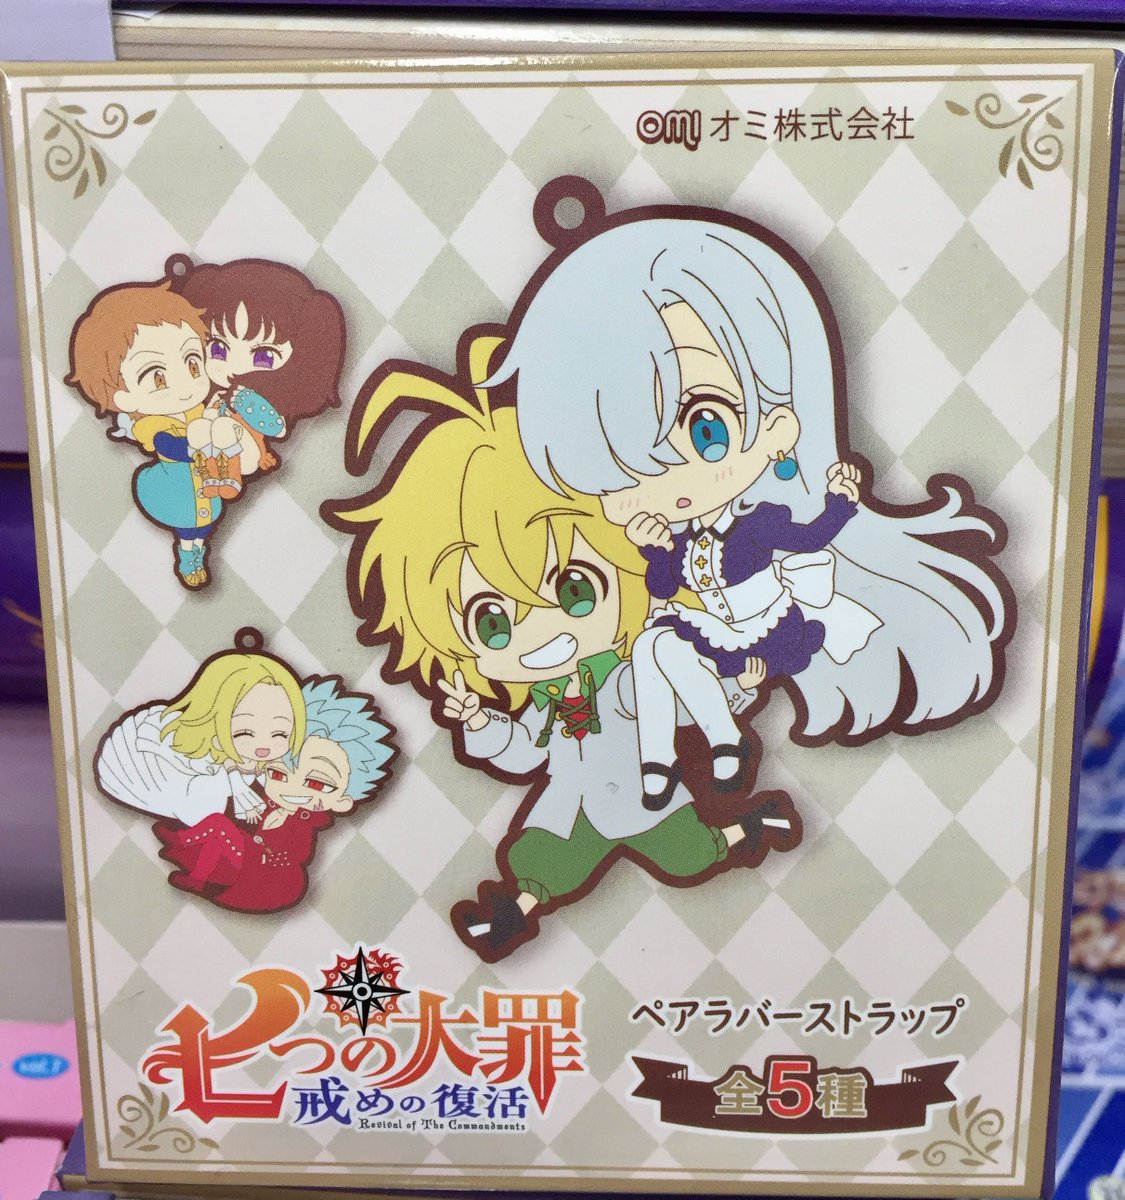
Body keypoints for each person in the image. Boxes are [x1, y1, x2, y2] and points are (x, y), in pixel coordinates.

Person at [490, 179, 1014, 807]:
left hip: (765, 632)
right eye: (613, 472)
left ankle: (711, 741)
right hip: (709, 630)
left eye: (705, 429)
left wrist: (842, 500)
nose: (663, 483)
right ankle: (666, 758)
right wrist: (654, 547)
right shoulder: (687, 538)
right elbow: (664, 586)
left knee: (660, 648)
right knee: (653, 644)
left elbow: (810, 537)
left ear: (779, 427)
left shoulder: (759, 523)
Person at [325, 337, 799, 961]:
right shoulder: (546, 700)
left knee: (688, 851)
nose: (540, 631)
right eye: (492, 625)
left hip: (648, 801)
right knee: (544, 861)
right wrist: (481, 721)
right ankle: (509, 914)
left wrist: (736, 688)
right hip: (572, 810)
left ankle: (748, 827)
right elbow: (526, 750)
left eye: (575, 590)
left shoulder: (630, 673)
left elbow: (681, 700)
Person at [155, 678, 395, 913]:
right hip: (245, 862)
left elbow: (297, 854)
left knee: (220, 827)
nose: (293, 788)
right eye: (279, 774)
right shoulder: (264, 799)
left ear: (342, 801)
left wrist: (262, 848)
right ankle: (197, 876)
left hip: (270, 881)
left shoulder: (304, 823)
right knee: (221, 830)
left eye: (315, 783)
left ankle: (184, 840)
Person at [66, 280, 220, 588]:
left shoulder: (198, 410)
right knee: (189, 526)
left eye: (192, 364)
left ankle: (196, 549)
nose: (185, 385)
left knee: (206, 522)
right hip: (174, 486)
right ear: (123, 398)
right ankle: (189, 556)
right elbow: (170, 446)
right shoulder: (151, 424)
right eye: (158, 377)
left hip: (206, 483)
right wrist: (204, 442)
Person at [167, 255, 346, 499]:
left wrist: (250, 418)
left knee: (222, 427)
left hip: (246, 453)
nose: (234, 367)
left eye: (264, 357)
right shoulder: (212, 395)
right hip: (212, 452)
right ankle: (209, 476)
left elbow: (274, 428)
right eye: (218, 349)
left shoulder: (249, 398)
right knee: (198, 427)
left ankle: (230, 478)